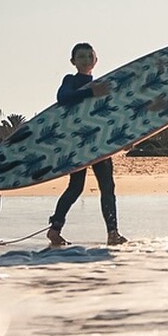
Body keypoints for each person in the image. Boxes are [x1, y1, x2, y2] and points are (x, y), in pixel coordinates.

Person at [46, 43, 127, 247]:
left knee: (107, 187)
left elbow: (112, 113)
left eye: (89, 56)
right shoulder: (71, 81)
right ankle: (55, 228)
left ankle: (113, 233)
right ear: (73, 61)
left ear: (95, 60)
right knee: (75, 188)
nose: (85, 60)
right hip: (78, 143)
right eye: (80, 57)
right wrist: (91, 93)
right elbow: (62, 97)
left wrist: (126, 138)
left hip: (100, 142)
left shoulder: (103, 84)